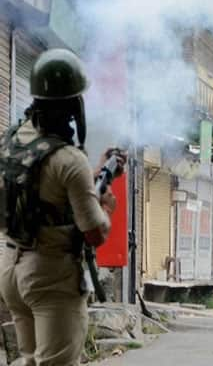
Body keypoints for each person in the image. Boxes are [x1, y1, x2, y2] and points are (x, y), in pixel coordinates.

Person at [0, 48, 124, 366]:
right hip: (50, 276)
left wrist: (94, 179)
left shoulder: (13, 139)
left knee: (29, 360)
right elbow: (94, 233)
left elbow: (44, 191)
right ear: (73, 104)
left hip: (11, 270)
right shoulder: (69, 158)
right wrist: (104, 206)